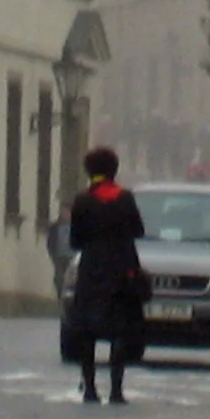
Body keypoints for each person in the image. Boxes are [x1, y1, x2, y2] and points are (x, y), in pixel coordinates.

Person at [64, 147, 146, 405]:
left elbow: (75, 240)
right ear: (114, 169)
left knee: (87, 330)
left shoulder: (82, 200)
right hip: (122, 268)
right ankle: (116, 390)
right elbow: (138, 230)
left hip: (91, 270)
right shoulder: (125, 198)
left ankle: (89, 388)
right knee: (119, 330)